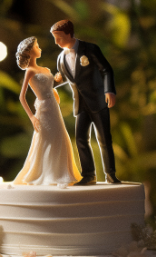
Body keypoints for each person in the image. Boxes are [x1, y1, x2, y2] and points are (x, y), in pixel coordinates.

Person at [51, 20, 120, 185]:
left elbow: (106, 69)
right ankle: (89, 174)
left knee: (104, 139)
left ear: (69, 34)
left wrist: (109, 90)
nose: (56, 42)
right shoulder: (61, 58)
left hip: (98, 100)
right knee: (81, 138)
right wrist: (54, 81)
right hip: (80, 104)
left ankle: (110, 174)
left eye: (59, 37)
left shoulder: (90, 49)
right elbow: (68, 77)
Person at [13, 36, 81, 186]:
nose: (40, 48)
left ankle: (61, 172)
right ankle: (46, 173)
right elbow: (22, 97)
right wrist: (32, 117)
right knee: (46, 138)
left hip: (53, 107)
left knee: (60, 136)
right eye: (37, 46)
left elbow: (49, 87)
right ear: (30, 52)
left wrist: (57, 80)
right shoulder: (30, 71)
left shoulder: (45, 69)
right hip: (44, 110)